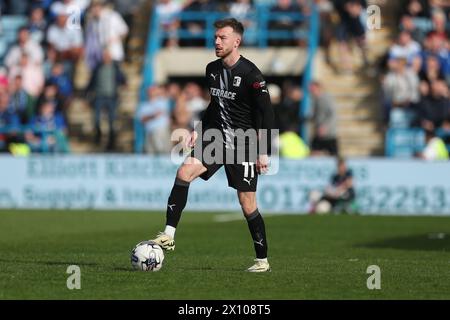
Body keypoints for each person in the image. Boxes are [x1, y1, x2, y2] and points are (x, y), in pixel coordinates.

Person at [150, 18, 275, 272]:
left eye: (223, 38)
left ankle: (262, 260)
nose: (217, 42)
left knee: (247, 203)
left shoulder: (252, 75)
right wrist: (198, 131)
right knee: (184, 171)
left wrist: (264, 151)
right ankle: (168, 234)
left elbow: (267, 113)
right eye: (215, 37)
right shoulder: (212, 69)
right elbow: (214, 106)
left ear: (236, 41)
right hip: (216, 138)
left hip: (244, 143)